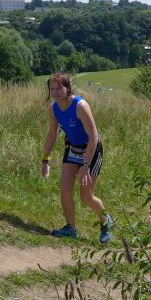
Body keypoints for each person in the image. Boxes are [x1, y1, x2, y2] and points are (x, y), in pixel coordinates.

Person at [41, 73, 113, 243]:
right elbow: (52, 135)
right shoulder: (53, 108)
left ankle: (106, 221)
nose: (56, 92)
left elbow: (93, 137)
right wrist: (45, 159)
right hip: (72, 148)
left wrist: (85, 166)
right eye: (52, 89)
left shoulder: (80, 106)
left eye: (59, 88)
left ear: (68, 88)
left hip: (91, 150)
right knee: (65, 189)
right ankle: (70, 228)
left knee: (86, 196)